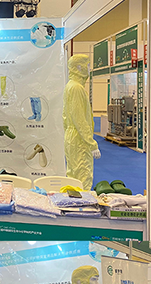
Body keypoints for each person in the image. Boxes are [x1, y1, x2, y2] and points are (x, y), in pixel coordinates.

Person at [63, 54, 101, 190]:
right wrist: (91, 143)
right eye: (87, 65)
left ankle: (72, 200)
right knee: (83, 175)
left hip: (72, 136)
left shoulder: (70, 86)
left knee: (73, 174)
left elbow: (65, 115)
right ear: (79, 67)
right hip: (79, 139)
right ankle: (82, 202)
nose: (89, 68)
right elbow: (79, 119)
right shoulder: (77, 88)